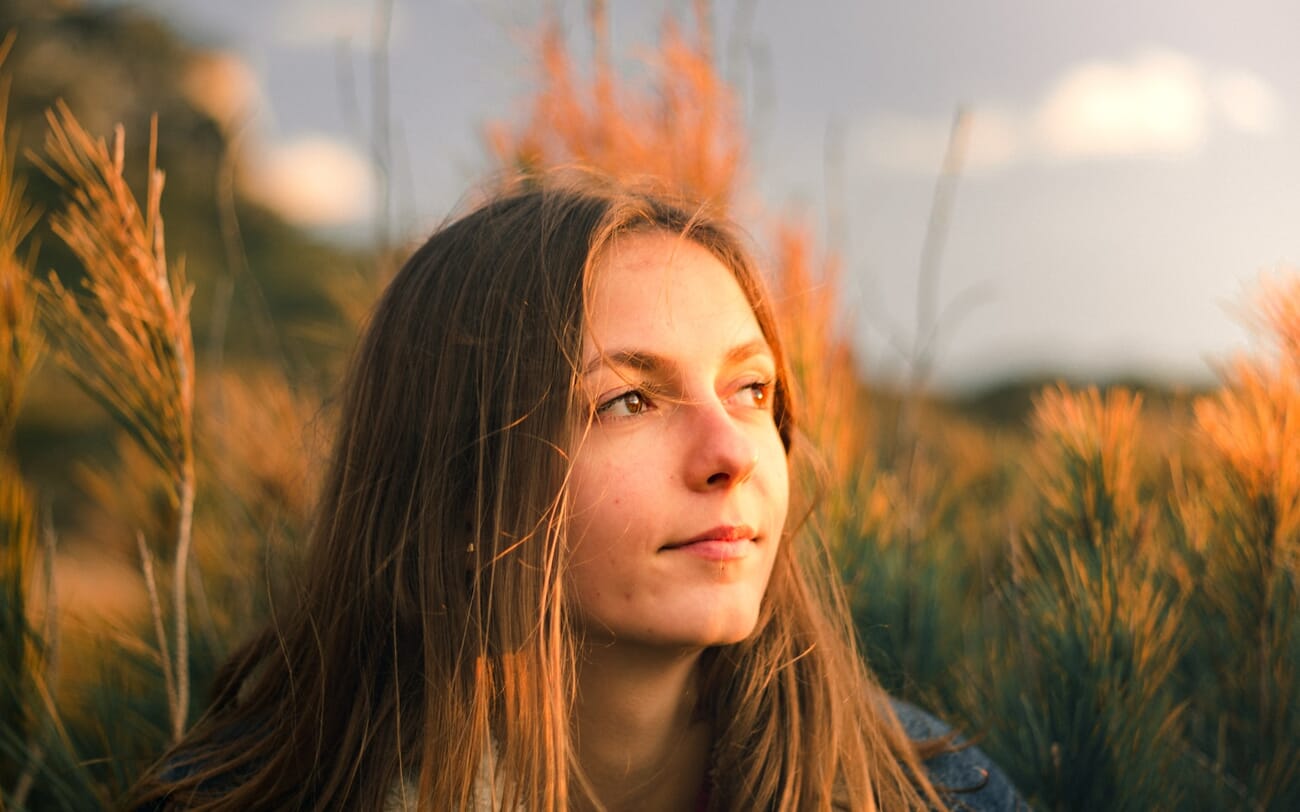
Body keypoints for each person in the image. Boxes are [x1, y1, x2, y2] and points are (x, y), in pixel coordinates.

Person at [130, 174, 1022, 810]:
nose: (732, 453)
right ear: (457, 491)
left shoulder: (923, 788)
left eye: (751, 390)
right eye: (629, 400)